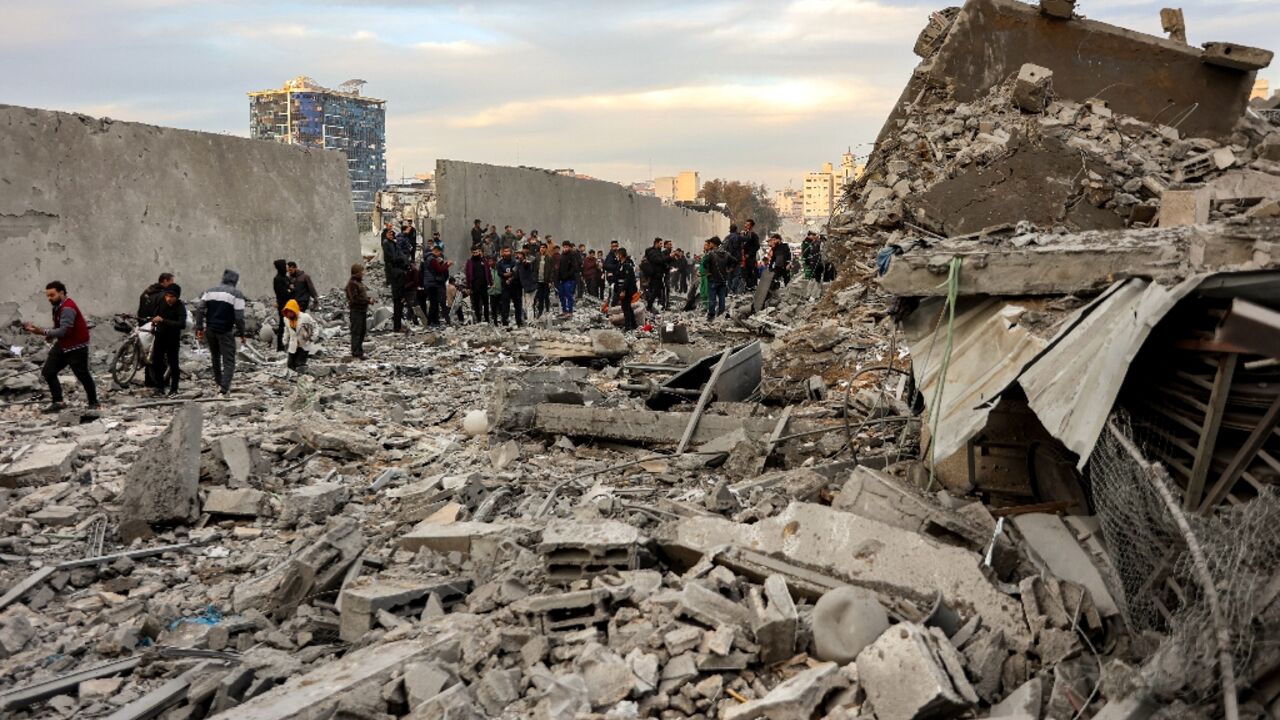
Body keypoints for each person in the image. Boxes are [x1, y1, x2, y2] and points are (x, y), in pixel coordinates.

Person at [24, 281, 99, 412]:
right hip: (64, 344)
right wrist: (51, 334)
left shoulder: (68, 308)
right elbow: (59, 327)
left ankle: (94, 402)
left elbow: (64, 331)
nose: (49, 298)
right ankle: (58, 401)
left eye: (52, 295)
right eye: (47, 296)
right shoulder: (58, 306)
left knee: (82, 374)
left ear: (61, 293)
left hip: (76, 345)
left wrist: (43, 331)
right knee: (48, 371)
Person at [193, 269, 246, 396]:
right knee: (229, 360)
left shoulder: (209, 291)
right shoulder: (236, 294)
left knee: (215, 357)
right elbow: (239, 317)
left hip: (210, 330)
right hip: (225, 331)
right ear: (235, 281)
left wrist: (199, 328)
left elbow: (200, 309)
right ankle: (224, 388)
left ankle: (218, 382)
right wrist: (242, 333)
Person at [147, 284, 186, 396]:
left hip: (173, 339)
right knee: (157, 362)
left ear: (177, 297)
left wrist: (163, 320)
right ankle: (159, 387)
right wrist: (154, 322)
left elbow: (181, 324)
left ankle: (174, 389)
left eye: (172, 296)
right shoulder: (161, 302)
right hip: (160, 336)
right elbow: (156, 314)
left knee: (173, 363)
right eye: (167, 296)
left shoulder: (180, 306)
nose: (168, 298)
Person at [137, 272, 175, 387]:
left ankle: (149, 382)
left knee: (149, 354)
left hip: (144, 326)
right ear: (165, 281)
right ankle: (161, 382)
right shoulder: (164, 295)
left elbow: (141, 309)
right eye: (171, 282)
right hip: (157, 326)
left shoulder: (147, 292)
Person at [381, 227, 408, 332]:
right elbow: (394, 257)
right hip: (396, 274)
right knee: (397, 300)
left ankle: (398, 325)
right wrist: (402, 260)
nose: (392, 234)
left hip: (398, 273)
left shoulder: (393, 244)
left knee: (400, 301)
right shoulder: (387, 244)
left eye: (393, 233)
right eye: (389, 233)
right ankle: (397, 326)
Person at [280, 299, 319, 371]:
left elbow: (315, 327)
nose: (289, 314)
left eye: (290, 311)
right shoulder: (286, 319)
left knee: (299, 364)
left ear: (294, 310)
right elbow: (286, 331)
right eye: (287, 312)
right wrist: (285, 341)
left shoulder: (305, 317)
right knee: (290, 365)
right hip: (293, 344)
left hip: (304, 343)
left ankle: (302, 375)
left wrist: (312, 338)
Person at [345, 263, 370, 359]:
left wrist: (368, 299)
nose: (363, 273)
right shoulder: (352, 284)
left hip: (362, 310)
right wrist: (367, 301)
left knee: (362, 331)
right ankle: (356, 352)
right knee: (357, 332)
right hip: (356, 311)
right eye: (361, 272)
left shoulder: (359, 283)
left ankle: (359, 351)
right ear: (356, 272)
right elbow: (354, 299)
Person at [703, 238, 730, 321]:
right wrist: (729, 269)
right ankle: (721, 313)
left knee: (712, 299)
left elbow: (704, 262)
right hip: (722, 280)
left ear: (714, 244)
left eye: (710, 243)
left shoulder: (711, 254)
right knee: (722, 298)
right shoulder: (726, 253)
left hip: (713, 280)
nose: (709, 244)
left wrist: (708, 271)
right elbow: (734, 261)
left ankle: (711, 315)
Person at [496, 247, 523, 327]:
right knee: (505, 305)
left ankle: (519, 322)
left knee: (518, 305)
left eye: (508, 251)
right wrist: (505, 275)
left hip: (516, 287)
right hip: (505, 287)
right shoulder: (500, 263)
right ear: (502, 253)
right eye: (505, 251)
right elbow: (500, 273)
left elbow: (516, 272)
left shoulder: (515, 262)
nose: (506, 253)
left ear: (511, 252)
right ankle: (505, 322)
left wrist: (510, 277)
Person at [425, 246, 452, 326]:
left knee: (435, 304)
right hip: (435, 284)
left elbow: (445, 274)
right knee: (438, 304)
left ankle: (433, 321)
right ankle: (433, 322)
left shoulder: (427, 259)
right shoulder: (432, 260)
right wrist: (447, 265)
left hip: (433, 284)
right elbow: (440, 270)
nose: (439, 258)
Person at [464, 246, 491, 324]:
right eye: (473, 252)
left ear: (479, 252)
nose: (475, 253)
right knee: (476, 303)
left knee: (486, 302)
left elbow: (488, 272)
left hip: (484, 285)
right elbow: (468, 275)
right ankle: (478, 318)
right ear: (471, 253)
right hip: (475, 285)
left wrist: (490, 282)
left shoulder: (484, 261)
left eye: (476, 252)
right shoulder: (470, 262)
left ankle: (487, 319)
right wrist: (468, 286)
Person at [613, 248, 638, 331]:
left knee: (625, 307)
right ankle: (634, 324)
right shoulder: (620, 265)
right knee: (628, 307)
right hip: (622, 288)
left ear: (621, 255)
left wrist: (623, 290)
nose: (617, 256)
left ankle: (628, 326)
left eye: (618, 254)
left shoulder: (627, 266)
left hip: (627, 291)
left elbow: (627, 280)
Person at [642, 238, 669, 313]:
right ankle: (649, 306)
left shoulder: (658, 252)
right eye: (660, 244)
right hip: (655, 275)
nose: (661, 245)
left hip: (659, 274)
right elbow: (658, 260)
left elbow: (662, 260)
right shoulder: (652, 252)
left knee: (660, 290)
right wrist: (669, 257)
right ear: (656, 243)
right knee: (655, 291)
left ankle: (659, 305)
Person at [272, 259, 292, 351]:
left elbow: (290, 288)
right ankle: (280, 347)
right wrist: (290, 290)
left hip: (289, 304)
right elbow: (284, 293)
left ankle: (288, 344)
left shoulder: (285, 278)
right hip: (283, 305)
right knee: (283, 325)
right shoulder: (278, 279)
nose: (287, 268)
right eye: (285, 266)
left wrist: (290, 290)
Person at [534, 243, 558, 318]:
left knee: (546, 296)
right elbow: (534, 269)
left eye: (544, 247)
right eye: (541, 247)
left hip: (546, 281)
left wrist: (550, 281)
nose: (542, 249)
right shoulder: (537, 257)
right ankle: (540, 312)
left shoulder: (549, 258)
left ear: (546, 249)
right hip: (538, 280)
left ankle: (547, 310)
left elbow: (552, 270)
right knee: (540, 297)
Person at [557, 241, 580, 315]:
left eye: (566, 247)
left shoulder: (573, 255)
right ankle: (564, 310)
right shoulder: (562, 255)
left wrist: (567, 275)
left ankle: (570, 311)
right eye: (564, 247)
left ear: (569, 247)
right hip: (562, 279)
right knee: (561, 295)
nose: (565, 248)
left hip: (570, 279)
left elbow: (574, 268)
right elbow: (560, 267)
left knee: (569, 295)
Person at [515, 249, 535, 324]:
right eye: (518, 254)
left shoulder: (525, 263)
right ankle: (527, 320)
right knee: (525, 305)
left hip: (530, 287)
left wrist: (525, 262)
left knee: (529, 305)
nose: (518, 256)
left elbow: (527, 264)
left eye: (520, 254)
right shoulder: (518, 264)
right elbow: (516, 274)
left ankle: (531, 321)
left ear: (523, 256)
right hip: (523, 287)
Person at [741, 219, 761, 291]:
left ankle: (752, 286)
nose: (745, 226)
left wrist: (749, 254)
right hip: (743, 257)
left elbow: (757, 246)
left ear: (751, 226)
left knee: (751, 271)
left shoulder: (754, 235)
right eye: (745, 224)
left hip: (750, 257)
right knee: (744, 272)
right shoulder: (744, 234)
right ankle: (746, 286)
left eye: (748, 224)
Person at [722, 224, 743, 294]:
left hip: (728, 259)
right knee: (737, 275)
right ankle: (733, 290)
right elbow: (737, 248)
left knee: (729, 275)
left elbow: (723, 248)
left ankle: (729, 290)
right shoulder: (737, 237)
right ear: (736, 229)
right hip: (736, 259)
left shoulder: (727, 237)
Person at [403, 260, 421, 325]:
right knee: (412, 306)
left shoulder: (415, 271)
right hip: (410, 290)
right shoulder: (410, 271)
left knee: (412, 306)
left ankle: (412, 320)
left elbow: (415, 281)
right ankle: (412, 320)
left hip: (411, 290)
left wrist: (406, 286)